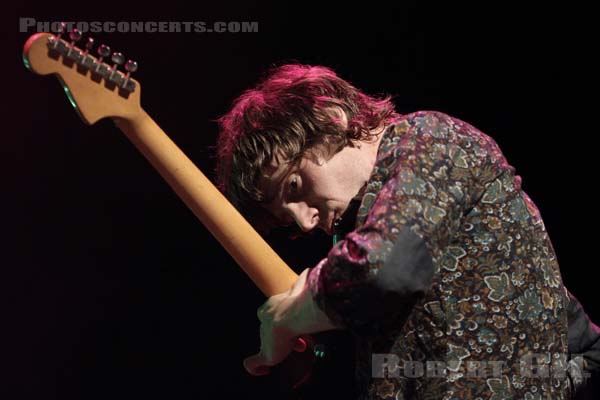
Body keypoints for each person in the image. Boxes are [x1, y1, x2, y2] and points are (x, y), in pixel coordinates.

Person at [215, 64, 599, 398]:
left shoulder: (430, 138)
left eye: (295, 187)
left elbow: (385, 267)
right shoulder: (369, 234)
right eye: (287, 218)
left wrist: (290, 314)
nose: (304, 222)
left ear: (333, 120)